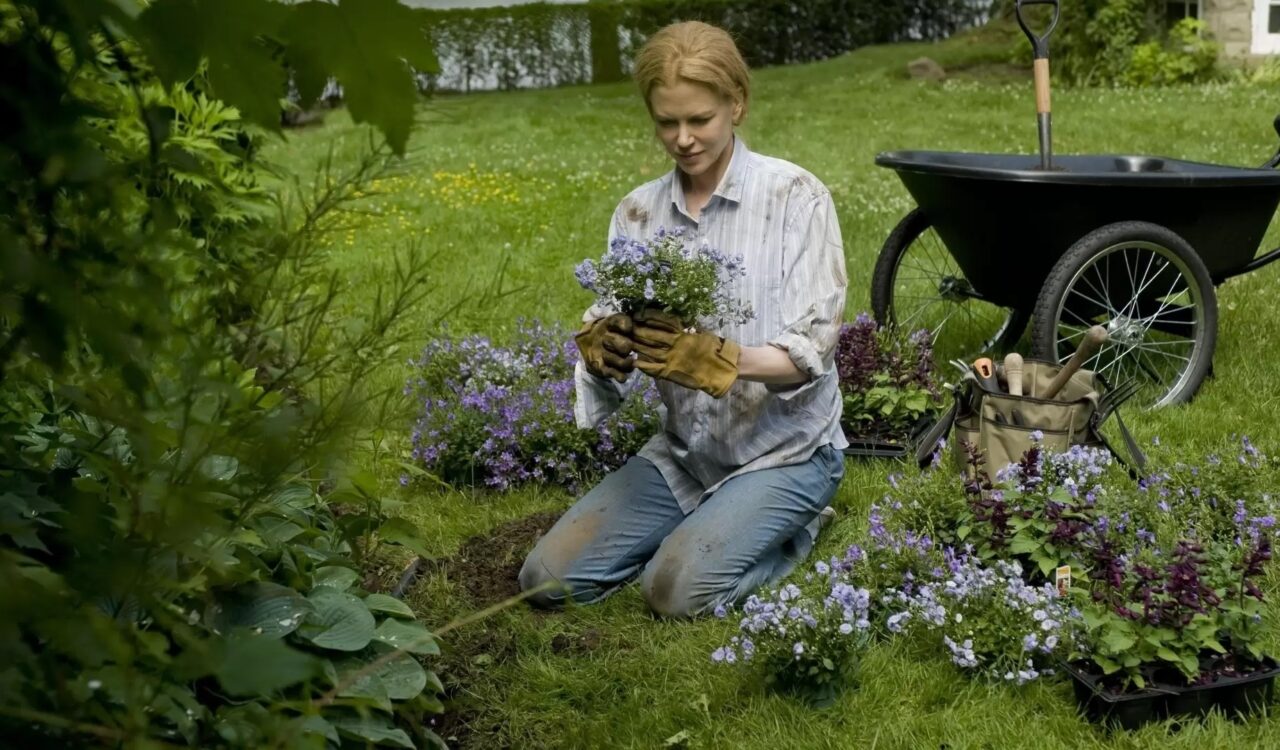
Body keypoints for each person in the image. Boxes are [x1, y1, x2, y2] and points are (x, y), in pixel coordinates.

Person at [518, 20, 848, 618]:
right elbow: (609, 319)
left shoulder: (796, 198)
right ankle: (702, 525)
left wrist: (724, 360)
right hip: (685, 455)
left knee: (674, 594)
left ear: (736, 104)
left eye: (700, 119)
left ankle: (795, 526)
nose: (683, 139)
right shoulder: (639, 213)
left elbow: (814, 351)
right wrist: (603, 349)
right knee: (546, 581)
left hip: (787, 452)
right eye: (667, 122)